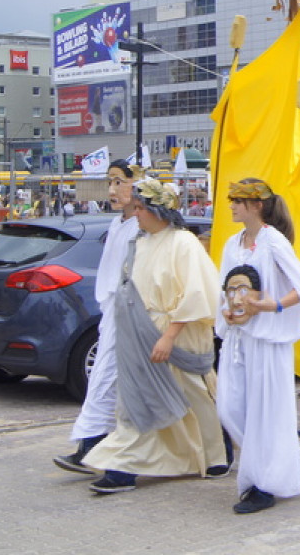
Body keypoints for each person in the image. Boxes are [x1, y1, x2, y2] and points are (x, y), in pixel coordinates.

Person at [83, 177, 225, 494]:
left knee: (193, 395)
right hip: (140, 336)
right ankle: (123, 468)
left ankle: (216, 454)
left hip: (179, 336)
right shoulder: (142, 243)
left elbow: (199, 293)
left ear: (158, 210)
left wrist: (169, 336)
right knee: (136, 400)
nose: (136, 215)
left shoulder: (184, 243)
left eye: (141, 209)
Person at [216, 177, 300, 513]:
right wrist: (227, 312)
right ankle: (263, 468)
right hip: (238, 339)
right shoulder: (233, 243)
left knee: (266, 412)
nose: (230, 205)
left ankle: (265, 482)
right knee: (230, 407)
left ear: (256, 206)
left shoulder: (273, 242)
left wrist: (270, 306)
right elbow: (226, 286)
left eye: (237, 200)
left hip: (267, 342)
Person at [53, 160, 143, 474]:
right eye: (110, 182)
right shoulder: (118, 224)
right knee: (104, 383)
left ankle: (97, 451)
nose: (112, 190)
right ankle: (92, 448)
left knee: (112, 384)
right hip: (113, 316)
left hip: (134, 320)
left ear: (137, 185)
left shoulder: (143, 228)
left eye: (119, 182)